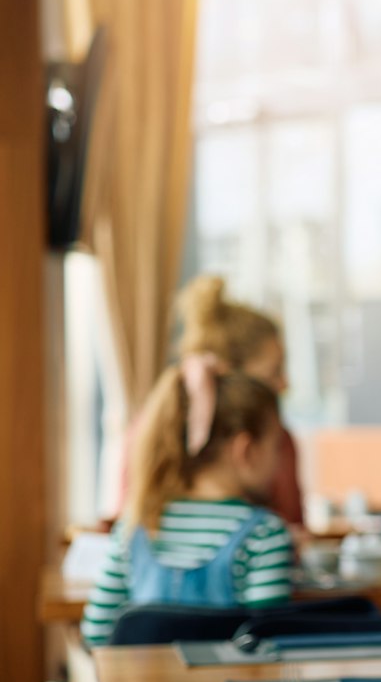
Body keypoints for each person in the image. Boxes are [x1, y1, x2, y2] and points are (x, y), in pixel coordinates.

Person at [82, 360, 293, 644]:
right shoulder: (265, 535)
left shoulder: (135, 526)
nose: (280, 460)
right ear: (246, 450)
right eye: (276, 445)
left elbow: (96, 633)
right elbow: (268, 646)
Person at [171, 275, 304, 526]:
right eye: (274, 371)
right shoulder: (276, 444)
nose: (285, 384)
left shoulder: (280, 441)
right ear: (230, 377)